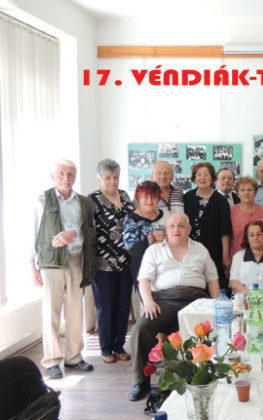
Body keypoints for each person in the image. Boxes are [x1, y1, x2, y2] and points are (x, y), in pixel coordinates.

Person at [128, 213, 220, 401]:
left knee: (214, 328)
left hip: (196, 301)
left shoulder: (200, 249)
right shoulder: (154, 250)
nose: (176, 230)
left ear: (189, 229)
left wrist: (215, 304)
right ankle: (141, 382)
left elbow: (212, 279)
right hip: (164, 301)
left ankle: (206, 376)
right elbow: (143, 279)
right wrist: (148, 302)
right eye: (172, 226)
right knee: (140, 329)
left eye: (181, 226)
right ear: (166, 229)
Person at [30, 159, 97, 379]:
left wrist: (73, 233)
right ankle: (52, 361)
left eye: (70, 174)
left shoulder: (82, 202)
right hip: (51, 263)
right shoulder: (42, 200)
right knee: (51, 313)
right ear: (53, 176)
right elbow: (32, 232)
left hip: (77, 260)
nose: (66, 178)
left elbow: (86, 231)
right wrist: (32, 265)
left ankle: (74, 357)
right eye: (61, 174)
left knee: (75, 311)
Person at [89, 159, 135, 363]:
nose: (112, 181)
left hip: (125, 260)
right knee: (106, 306)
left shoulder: (124, 196)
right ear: (99, 179)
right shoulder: (92, 200)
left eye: (115, 177)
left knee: (123, 305)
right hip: (103, 263)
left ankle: (119, 345)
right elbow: (87, 231)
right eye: (108, 178)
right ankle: (106, 347)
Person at [184, 162, 233, 290]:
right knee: (193, 288)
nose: (202, 178)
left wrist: (226, 256)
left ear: (212, 178)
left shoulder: (221, 200)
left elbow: (225, 230)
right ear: (194, 178)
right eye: (198, 174)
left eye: (206, 174)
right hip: (190, 253)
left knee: (215, 288)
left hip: (214, 253)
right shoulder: (187, 198)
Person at [123, 181, 167, 288]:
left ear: (158, 198)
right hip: (142, 270)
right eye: (145, 197)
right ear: (138, 198)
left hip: (165, 268)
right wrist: (151, 238)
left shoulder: (166, 215)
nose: (149, 201)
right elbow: (131, 248)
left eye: (153, 197)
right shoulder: (132, 219)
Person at [229, 176, 263, 256]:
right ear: (237, 193)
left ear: (255, 193)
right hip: (236, 258)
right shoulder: (230, 212)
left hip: (260, 257)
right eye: (242, 190)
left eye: (249, 190)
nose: (246, 193)